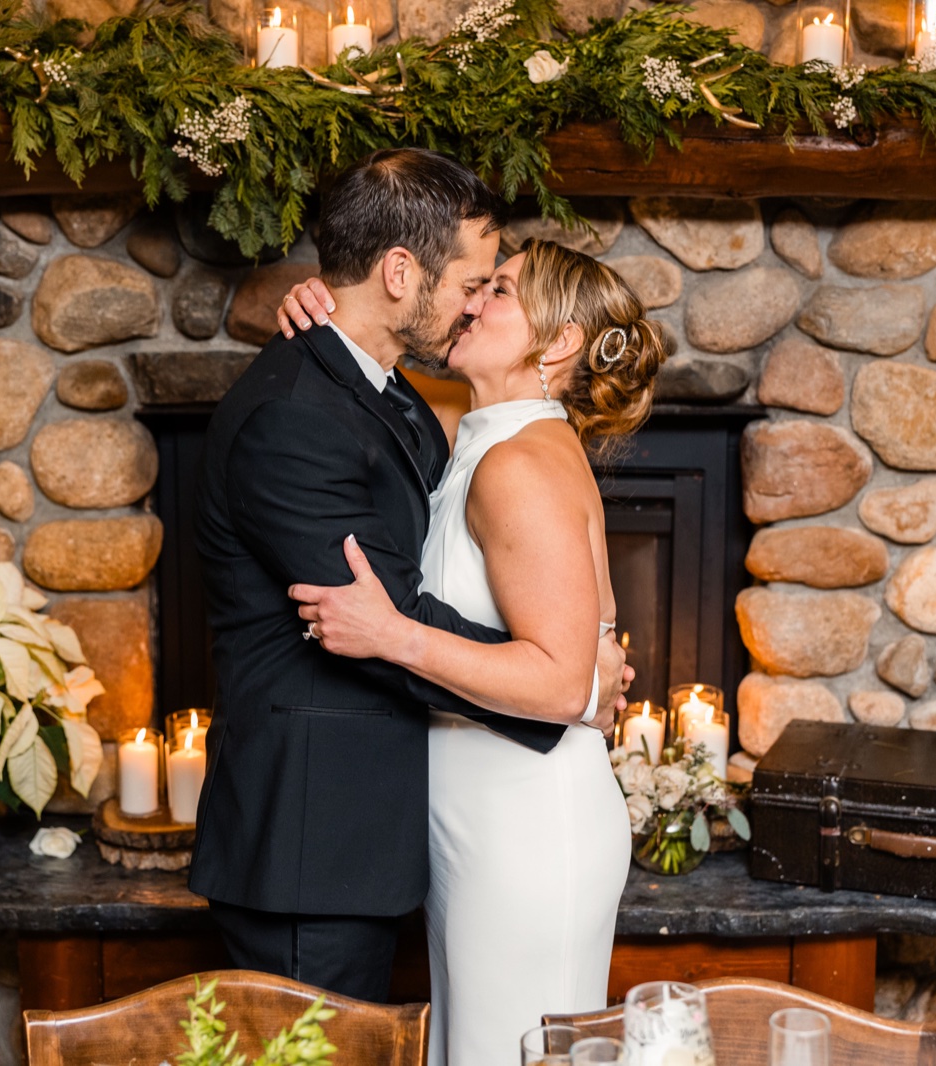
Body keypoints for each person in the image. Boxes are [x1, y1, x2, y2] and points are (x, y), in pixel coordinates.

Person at [191, 148, 632, 1006]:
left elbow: (419, 602)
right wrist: (568, 682)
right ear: (401, 270)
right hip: (307, 848)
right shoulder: (295, 415)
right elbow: (379, 620)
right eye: (475, 280)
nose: (476, 299)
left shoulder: (391, 395)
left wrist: (566, 662)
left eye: (496, 290)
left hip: (390, 837)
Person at [284, 238, 673, 1066]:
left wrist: (391, 633)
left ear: (558, 343)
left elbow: (566, 681)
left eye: (498, 291)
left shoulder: (518, 463)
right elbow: (371, 373)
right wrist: (319, 309)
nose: (471, 301)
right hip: (480, 818)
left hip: (527, 829)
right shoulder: (484, 435)